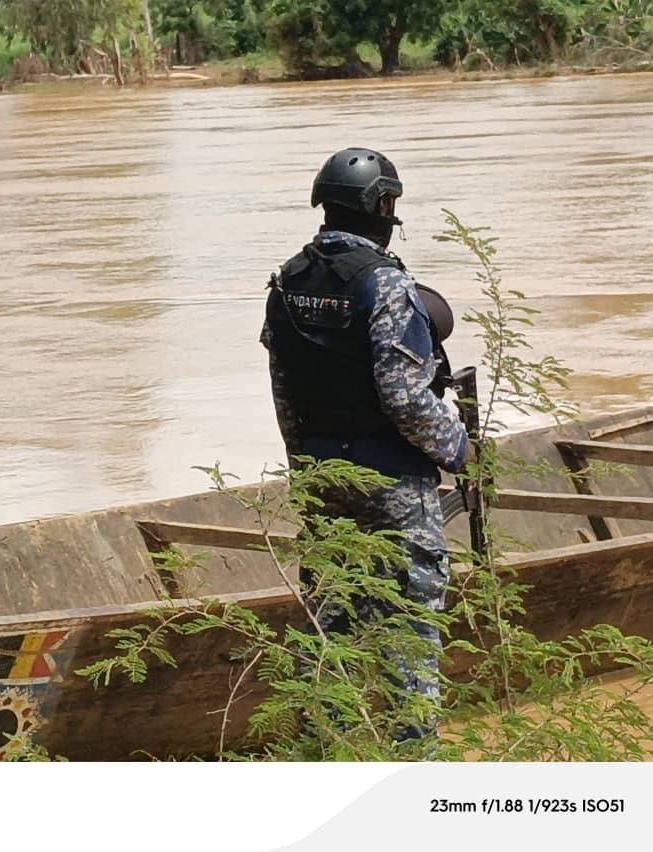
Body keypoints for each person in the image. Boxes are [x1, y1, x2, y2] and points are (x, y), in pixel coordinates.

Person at [260, 147, 468, 737]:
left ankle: (324, 743)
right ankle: (413, 760)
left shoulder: (288, 282)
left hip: (324, 477)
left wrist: (307, 468)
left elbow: (284, 392)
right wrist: (459, 448)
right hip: (392, 482)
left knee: (332, 618)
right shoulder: (386, 285)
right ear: (382, 205)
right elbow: (406, 400)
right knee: (408, 624)